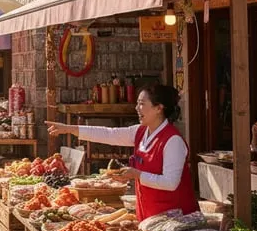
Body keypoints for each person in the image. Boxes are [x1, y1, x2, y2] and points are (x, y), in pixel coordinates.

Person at [47, 84, 198, 221]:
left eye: (141, 104)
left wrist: (137, 175)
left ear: (159, 108)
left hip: (176, 219)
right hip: (151, 216)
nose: (137, 108)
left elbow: (170, 183)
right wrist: (69, 129)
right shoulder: (141, 131)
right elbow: (109, 134)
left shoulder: (173, 140)